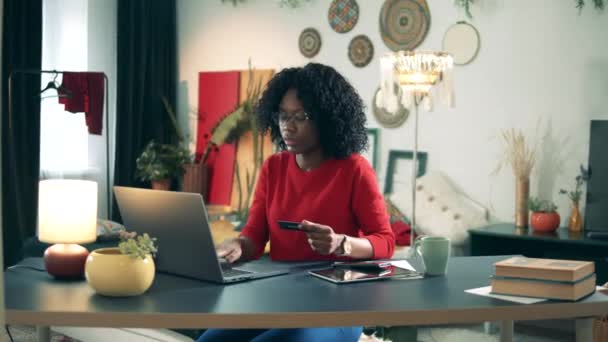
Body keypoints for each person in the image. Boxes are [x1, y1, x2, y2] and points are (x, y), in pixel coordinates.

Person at [197, 63, 395, 342]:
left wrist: (342, 243)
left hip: (339, 304)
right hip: (280, 295)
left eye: (301, 117)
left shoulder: (354, 169)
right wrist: (237, 246)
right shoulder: (274, 168)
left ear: (326, 119)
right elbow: (254, 238)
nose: (287, 126)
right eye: (282, 115)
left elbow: (385, 242)